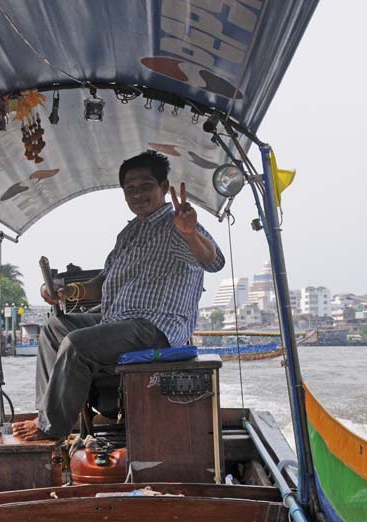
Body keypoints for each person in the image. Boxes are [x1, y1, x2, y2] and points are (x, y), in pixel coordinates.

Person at [13, 150, 225, 440]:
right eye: (130, 188)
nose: (137, 194)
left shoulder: (178, 226)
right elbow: (103, 281)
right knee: (54, 328)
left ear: (164, 187)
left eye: (145, 186)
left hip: (155, 327)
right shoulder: (129, 234)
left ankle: (50, 429)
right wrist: (67, 291)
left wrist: (190, 234)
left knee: (76, 343)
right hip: (119, 320)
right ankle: (49, 414)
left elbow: (213, 262)